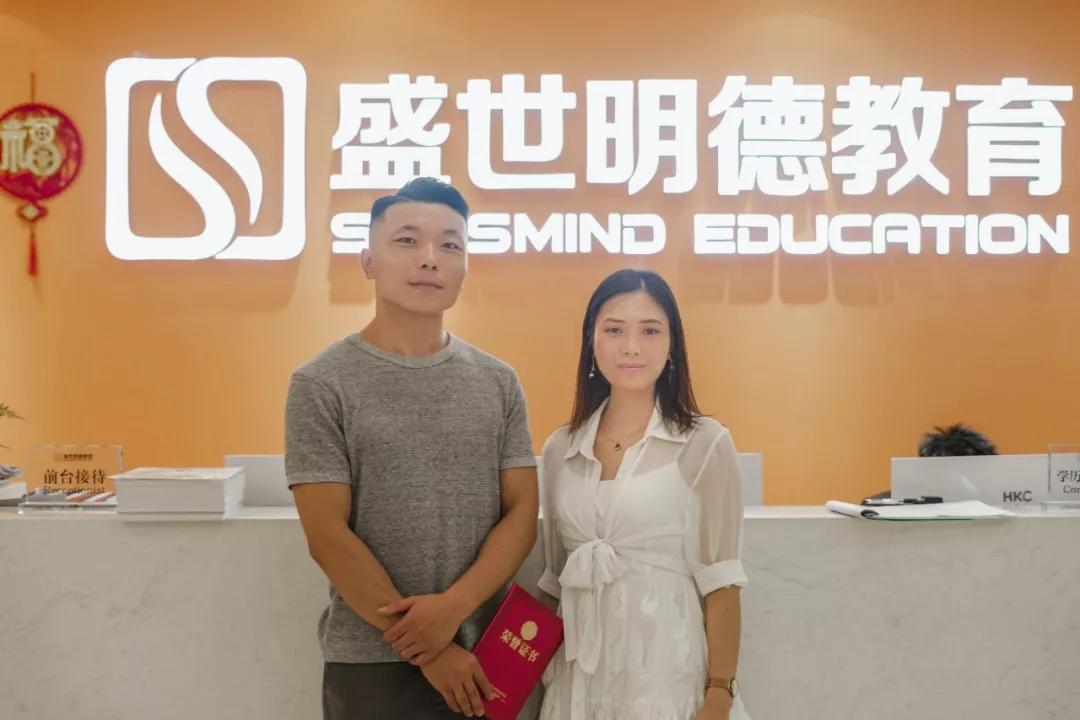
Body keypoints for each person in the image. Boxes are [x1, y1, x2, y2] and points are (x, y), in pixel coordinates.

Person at [285, 177, 539, 719]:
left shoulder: (498, 381)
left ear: (464, 267)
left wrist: (454, 609)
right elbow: (327, 536)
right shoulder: (321, 382)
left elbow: (522, 512)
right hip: (369, 663)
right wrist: (431, 650)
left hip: (487, 657)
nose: (430, 258)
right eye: (407, 240)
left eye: (450, 244)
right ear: (368, 260)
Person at [537, 268, 751, 720]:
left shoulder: (704, 443)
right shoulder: (560, 449)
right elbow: (554, 579)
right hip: (577, 680)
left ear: (672, 345)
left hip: (665, 673)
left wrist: (720, 693)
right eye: (614, 330)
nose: (632, 346)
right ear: (591, 342)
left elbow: (722, 583)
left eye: (650, 331)